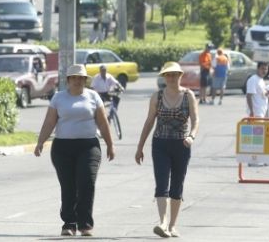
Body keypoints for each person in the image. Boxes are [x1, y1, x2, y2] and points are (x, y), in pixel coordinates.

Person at [34, 64, 115, 237]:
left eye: (81, 78)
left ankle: (85, 224)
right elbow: (50, 122)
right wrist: (40, 142)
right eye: (74, 78)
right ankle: (69, 223)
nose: (78, 81)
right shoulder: (58, 98)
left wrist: (110, 144)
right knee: (68, 185)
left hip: (89, 146)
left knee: (86, 183)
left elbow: (102, 122)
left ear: (85, 80)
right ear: (68, 80)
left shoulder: (93, 97)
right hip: (63, 148)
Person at [135, 61, 199, 238]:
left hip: (182, 144)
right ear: (164, 77)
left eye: (174, 75)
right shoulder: (157, 96)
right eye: (168, 75)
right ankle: (162, 222)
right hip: (160, 143)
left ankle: (172, 225)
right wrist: (140, 147)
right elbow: (149, 122)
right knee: (161, 183)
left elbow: (195, 119)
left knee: (177, 185)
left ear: (180, 76)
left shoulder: (188, 96)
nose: (171, 78)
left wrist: (191, 136)